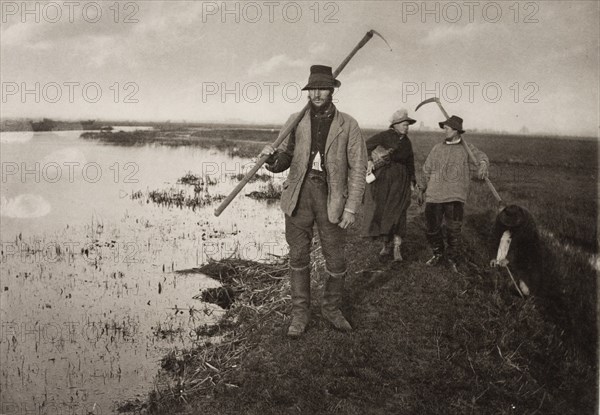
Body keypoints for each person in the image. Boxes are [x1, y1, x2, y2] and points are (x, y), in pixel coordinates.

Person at [260, 65, 367, 337]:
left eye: (323, 88)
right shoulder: (296, 120)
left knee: (336, 260)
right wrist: (271, 158)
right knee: (297, 256)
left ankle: (331, 309)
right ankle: (300, 314)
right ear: (308, 92)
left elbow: (358, 169)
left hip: (331, 199)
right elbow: (284, 158)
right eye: (313, 89)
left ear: (332, 91)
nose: (317, 94)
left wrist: (351, 207)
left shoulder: (349, 125)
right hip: (298, 197)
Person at [416, 115, 489, 272]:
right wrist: (421, 189)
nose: (444, 131)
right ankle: (438, 254)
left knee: (453, 230)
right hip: (434, 195)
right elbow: (426, 169)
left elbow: (481, 156)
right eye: (444, 128)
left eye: (447, 128)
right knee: (432, 228)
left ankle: (451, 259)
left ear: (456, 131)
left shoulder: (467, 148)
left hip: (455, 196)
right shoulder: (437, 148)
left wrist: (483, 164)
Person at [361, 109, 416, 262]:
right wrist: (370, 160)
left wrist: (412, 180)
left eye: (408, 125)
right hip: (384, 179)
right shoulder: (385, 135)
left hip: (401, 179)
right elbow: (366, 145)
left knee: (399, 211)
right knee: (384, 210)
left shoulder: (407, 141)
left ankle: (397, 246)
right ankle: (386, 244)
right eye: (405, 125)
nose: (407, 127)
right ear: (396, 125)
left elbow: (410, 161)